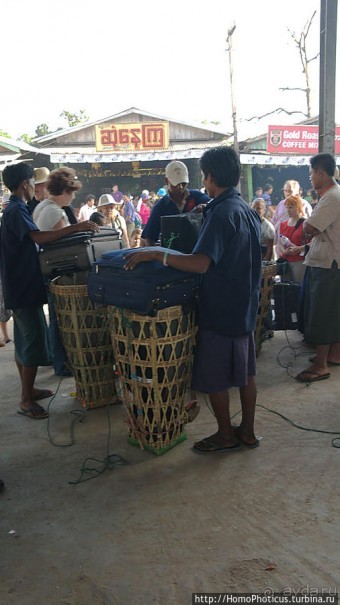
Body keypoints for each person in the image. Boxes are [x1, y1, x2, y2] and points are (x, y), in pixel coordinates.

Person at [124, 146, 262, 452]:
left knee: (214, 377)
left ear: (210, 176)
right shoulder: (242, 208)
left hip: (220, 307)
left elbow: (200, 263)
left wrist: (157, 253)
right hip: (244, 305)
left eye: (202, 176)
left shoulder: (221, 212)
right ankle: (248, 432)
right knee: (246, 374)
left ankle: (226, 435)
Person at [0, 162, 99, 419]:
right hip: (23, 287)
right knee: (31, 342)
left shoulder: (17, 209)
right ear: (25, 185)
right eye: (33, 183)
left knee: (23, 341)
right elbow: (39, 237)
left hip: (21, 284)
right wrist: (77, 227)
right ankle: (25, 400)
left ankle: (29, 389)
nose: (36, 188)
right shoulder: (16, 210)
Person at [33, 167, 84, 376]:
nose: (72, 197)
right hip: (57, 272)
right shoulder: (55, 211)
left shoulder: (42, 206)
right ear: (66, 190)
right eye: (72, 192)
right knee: (60, 319)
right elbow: (66, 245)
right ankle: (62, 363)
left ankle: (59, 360)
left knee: (55, 318)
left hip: (44, 270)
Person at [296, 153, 340, 383]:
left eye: (312, 173)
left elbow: (309, 229)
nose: (311, 178)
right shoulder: (333, 194)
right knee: (332, 311)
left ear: (321, 172)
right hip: (331, 261)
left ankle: (321, 364)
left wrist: (305, 224)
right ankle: (334, 354)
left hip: (328, 263)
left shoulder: (332, 196)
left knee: (322, 313)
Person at [142, 160, 210, 246]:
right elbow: (149, 237)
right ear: (167, 181)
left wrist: (206, 206)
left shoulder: (197, 197)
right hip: (171, 255)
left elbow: (212, 204)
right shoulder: (160, 207)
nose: (180, 187)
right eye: (176, 184)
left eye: (183, 183)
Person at [277, 195, 306, 283]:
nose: (288, 210)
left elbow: (312, 243)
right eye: (286, 207)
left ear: (298, 207)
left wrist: (299, 248)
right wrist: (284, 251)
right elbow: (280, 242)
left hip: (300, 261)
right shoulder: (283, 224)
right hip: (286, 261)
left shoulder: (305, 224)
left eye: (291, 207)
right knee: (285, 289)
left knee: (298, 287)